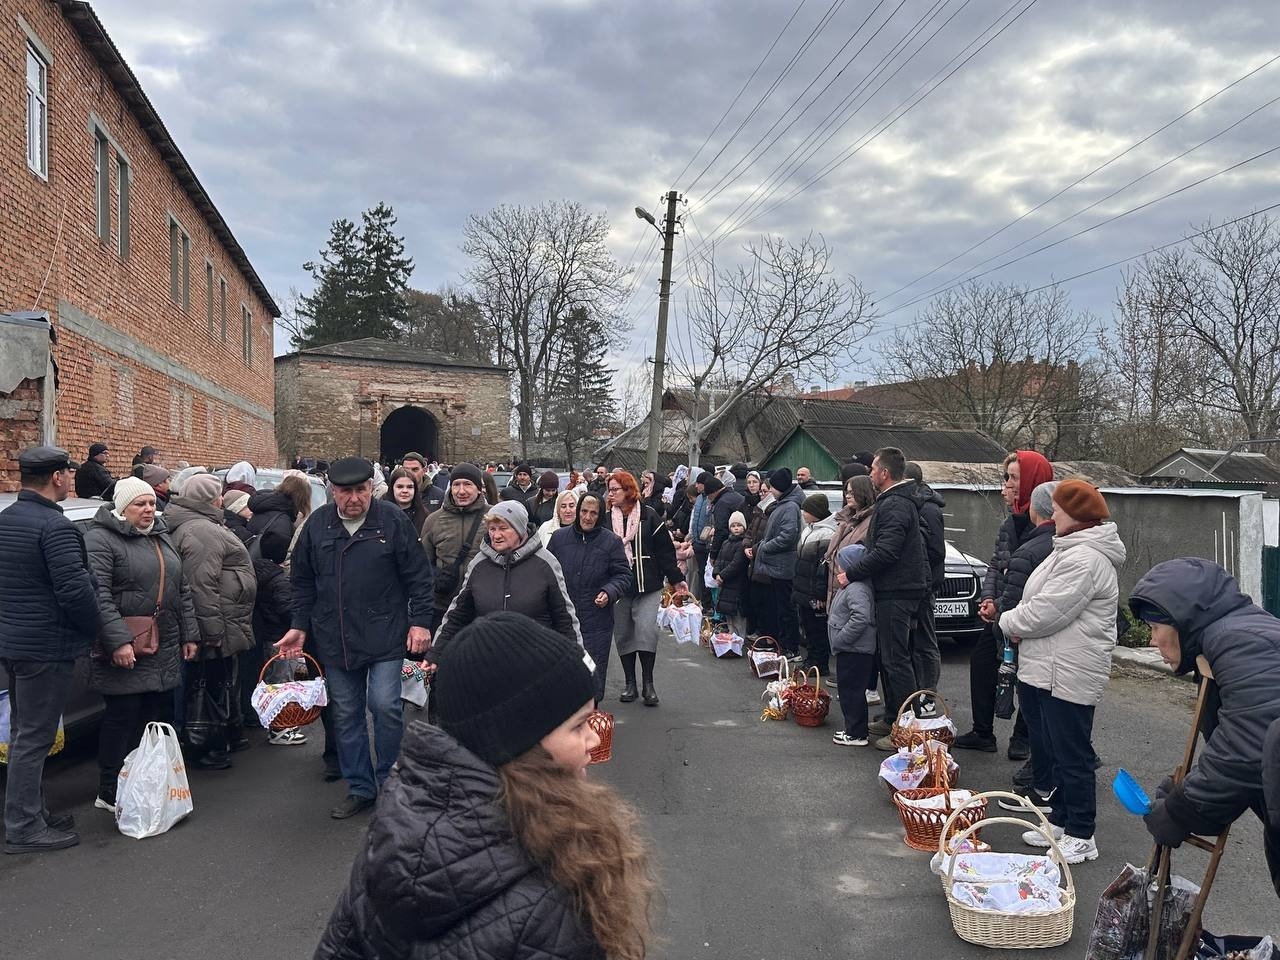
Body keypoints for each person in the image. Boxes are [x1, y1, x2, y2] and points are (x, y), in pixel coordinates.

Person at [315, 612, 654, 960]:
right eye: (579, 725)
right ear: (520, 740)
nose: (594, 737)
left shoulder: (393, 834)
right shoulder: (555, 892)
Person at [278, 457, 435, 819]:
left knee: (384, 705)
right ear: (333, 491)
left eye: (361, 490)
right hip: (336, 636)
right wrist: (299, 625)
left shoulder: (391, 520)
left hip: (384, 632)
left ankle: (391, 782)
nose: (354, 498)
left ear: (370, 489)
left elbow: (419, 578)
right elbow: (302, 582)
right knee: (346, 713)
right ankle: (361, 787)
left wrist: (420, 623)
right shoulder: (317, 526)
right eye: (346, 491)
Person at [1129, 557, 1280, 898]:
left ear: (1180, 621)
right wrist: (1188, 787)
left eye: (1154, 629)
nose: (1152, 641)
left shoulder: (1240, 641)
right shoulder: (1224, 638)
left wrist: (1184, 809)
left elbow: (1247, 747)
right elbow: (1238, 736)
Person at [999, 479, 1125, 864]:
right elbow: (1037, 603)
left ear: (1077, 515)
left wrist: (1008, 622)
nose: (1051, 514)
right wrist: (1020, 622)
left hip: (1069, 670)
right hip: (1048, 666)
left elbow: (1046, 611)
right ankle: (1062, 821)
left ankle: (1082, 833)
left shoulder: (1085, 559)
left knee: (1072, 753)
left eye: (1058, 508)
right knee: (1053, 749)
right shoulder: (1066, 548)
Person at [0, 446, 100, 853]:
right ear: (58, 477)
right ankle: (23, 826)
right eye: (68, 474)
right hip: (45, 646)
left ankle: (32, 811)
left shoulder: (6, 520)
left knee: (25, 732)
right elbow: (75, 589)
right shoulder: (54, 527)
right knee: (34, 738)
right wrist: (98, 630)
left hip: (14, 643)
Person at [84, 476, 199, 814]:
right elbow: (98, 595)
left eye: (151, 503)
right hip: (127, 646)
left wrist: (190, 633)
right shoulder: (101, 540)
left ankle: (142, 782)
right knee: (123, 718)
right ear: (122, 508)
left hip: (161, 642)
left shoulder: (160, 535)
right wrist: (118, 641)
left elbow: (182, 590)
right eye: (140, 504)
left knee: (153, 716)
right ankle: (110, 790)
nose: (149, 509)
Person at [956, 450, 1053, 759]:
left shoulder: (1048, 530)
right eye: (1006, 478)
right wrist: (987, 600)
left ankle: (1022, 737)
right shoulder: (1009, 524)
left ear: (1032, 484)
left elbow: (1031, 581)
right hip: (1001, 612)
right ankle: (983, 732)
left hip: (1028, 618)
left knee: (1029, 675)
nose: (1005, 487)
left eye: (1013, 479)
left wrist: (999, 605)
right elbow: (996, 567)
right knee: (983, 661)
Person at [164, 473, 258, 768]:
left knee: (217, 683)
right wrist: (212, 633)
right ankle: (204, 746)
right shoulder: (200, 530)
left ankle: (223, 737)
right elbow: (200, 586)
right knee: (208, 686)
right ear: (211, 498)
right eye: (218, 493)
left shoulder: (201, 524)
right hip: (216, 624)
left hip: (224, 619)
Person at [840, 448, 930, 750]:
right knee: (890, 657)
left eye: (874, 468)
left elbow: (887, 552)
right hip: (897, 588)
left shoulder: (895, 504)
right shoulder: (893, 502)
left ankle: (907, 730)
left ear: (885, 474)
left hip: (898, 590)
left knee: (896, 660)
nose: (870, 473)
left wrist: (851, 573)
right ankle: (894, 715)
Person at [435, 501, 583, 652]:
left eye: (503, 529)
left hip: (536, 661)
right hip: (488, 659)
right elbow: (457, 614)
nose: (496, 535)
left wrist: (581, 662)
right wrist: (436, 652)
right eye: (492, 529)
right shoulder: (479, 563)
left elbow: (565, 618)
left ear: (520, 530)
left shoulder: (546, 563)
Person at [607, 470, 687, 706]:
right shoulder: (606, 519)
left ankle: (648, 685)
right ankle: (630, 683)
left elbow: (665, 551)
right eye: (609, 490)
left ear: (628, 490)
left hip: (648, 585)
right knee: (623, 635)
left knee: (645, 632)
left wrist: (676, 578)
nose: (610, 494)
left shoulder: (649, 517)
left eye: (615, 490)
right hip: (619, 589)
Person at [548, 493, 633, 701]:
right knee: (562, 670)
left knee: (591, 669)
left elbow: (623, 574)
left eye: (593, 513)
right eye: (584, 511)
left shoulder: (611, 541)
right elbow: (546, 570)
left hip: (596, 620)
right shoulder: (559, 538)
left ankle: (590, 717)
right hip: (563, 618)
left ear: (600, 515)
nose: (587, 517)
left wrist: (609, 591)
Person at [247, 520, 307, 745]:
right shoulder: (279, 580)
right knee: (281, 684)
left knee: (271, 681)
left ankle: (274, 725)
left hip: (265, 635)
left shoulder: (258, 572)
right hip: (280, 637)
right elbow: (287, 609)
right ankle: (280, 728)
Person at [420, 463, 489, 632]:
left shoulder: (493, 518)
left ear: (479, 489)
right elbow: (422, 564)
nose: (461, 491)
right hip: (443, 606)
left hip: (484, 606)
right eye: (456, 484)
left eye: (468, 484)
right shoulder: (434, 520)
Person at [750, 468, 805, 657]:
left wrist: (765, 546)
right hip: (776, 567)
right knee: (778, 608)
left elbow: (788, 536)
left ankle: (790, 647)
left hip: (783, 567)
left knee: (786, 609)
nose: (769, 491)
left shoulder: (789, 507)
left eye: (772, 487)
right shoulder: (783, 504)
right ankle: (782, 644)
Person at [829, 544, 876, 747]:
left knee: (852, 691)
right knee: (848, 690)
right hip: (850, 648)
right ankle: (853, 729)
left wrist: (841, 638)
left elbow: (861, 617)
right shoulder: (849, 586)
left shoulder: (857, 588)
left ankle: (857, 733)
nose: (837, 567)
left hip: (855, 649)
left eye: (840, 564)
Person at [904, 462, 943, 700]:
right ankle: (916, 691)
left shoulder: (927, 509)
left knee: (925, 641)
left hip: (925, 585)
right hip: (917, 582)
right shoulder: (916, 505)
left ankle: (928, 693)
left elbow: (937, 550)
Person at [794, 492, 837, 676]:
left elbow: (823, 569)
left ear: (816, 512)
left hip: (814, 591)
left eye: (806, 510)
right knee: (808, 627)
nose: (803, 513)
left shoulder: (827, 533)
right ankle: (810, 659)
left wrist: (820, 595)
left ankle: (821, 664)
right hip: (804, 588)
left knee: (818, 629)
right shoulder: (808, 529)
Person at [247, 477, 306, 565]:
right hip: (262, 569)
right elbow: (278, 550)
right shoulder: (283, 520)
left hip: (248, 560)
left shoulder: (263, 507)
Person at [712, 511, 750, 639]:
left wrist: (722, 576)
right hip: (726, 583)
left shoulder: (743, 544)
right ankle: (731, 637)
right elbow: (718, 559)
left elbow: (737, 564)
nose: (736, 528)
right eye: (733, 526)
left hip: (737, 583)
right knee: (728, 613)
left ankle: (739, 638)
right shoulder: (726, 542)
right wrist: (716, 573)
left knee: (738, 613)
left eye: (739, 525)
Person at [383, 466, 428, 536]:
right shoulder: (380, 514)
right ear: (392, 488)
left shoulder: (425, 516)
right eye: (400, 487)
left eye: (410, 487)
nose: (405, 491)